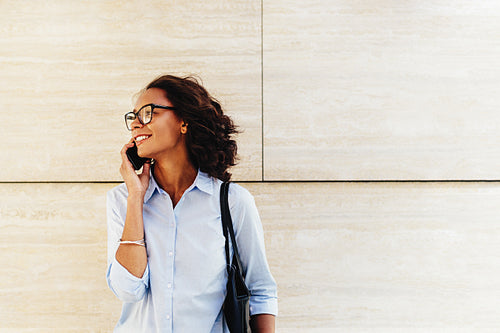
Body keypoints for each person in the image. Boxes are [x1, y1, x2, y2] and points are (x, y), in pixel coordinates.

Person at [106, 75, 278, 332]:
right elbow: (127, 289)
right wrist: (135, 198)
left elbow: (260, 291)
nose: (136, 124)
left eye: (148, 113)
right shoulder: (122, 199)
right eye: (133, 117)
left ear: (184, 121)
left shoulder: (233, 202)